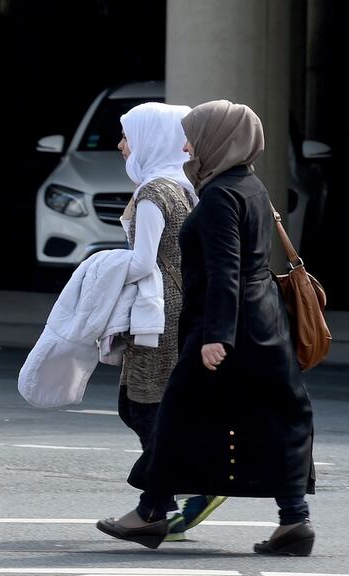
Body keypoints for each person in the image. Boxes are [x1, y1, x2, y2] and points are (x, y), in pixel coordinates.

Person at [97, 100, 316, 556]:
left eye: (194, 135)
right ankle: (293, 520)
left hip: (227, 324)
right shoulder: (250, 185)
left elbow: (225, 270)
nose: (186, 144)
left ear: (217, 140)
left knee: (176, 414)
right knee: (278, 416)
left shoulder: (218, 196)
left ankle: (150, 513)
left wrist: (216, 336)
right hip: (265, 322)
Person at [114, 102, 224, 542]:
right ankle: (166, 502)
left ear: (148, 138)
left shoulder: (154, 192)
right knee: (154, 406)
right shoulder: (186, 185)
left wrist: (97, 272)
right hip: (180, 308)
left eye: (126, 135)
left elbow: (143, 261)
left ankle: (177, 495)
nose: (122, 146)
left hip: (156, 314)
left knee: (141, 406)